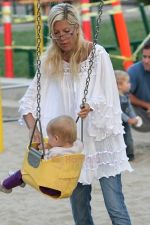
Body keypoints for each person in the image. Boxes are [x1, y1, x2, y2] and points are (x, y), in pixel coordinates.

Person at [17, 3, 133, 225]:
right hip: (72, 146)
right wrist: (35, 133)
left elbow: (110, 97)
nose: (62, 37)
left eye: (67, 31)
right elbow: (27, 104)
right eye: (56, 33)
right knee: (80, 212)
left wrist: (91, 105)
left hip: (101, 140)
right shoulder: (49, 61)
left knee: (115, 206)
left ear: (77, 28)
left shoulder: (97, 55)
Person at [0, 115, 83, 196]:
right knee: (25, 175)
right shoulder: (78, 146)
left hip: (49, 187)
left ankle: (5, 186)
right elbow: (63, 150)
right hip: (66, 187)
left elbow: (43, 163)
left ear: (56, 138)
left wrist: (41, 149)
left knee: (24, 172)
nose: (49, 140)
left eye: (50, 138)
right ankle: (20, 180)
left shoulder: (54, 153)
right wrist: (49, 146)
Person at [115, 70, 142, 161]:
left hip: (125, 123)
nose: (130, 84)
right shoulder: (115, 97)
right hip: (117, 123)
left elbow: (129, 108)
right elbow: (118, 111)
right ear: (119, 85)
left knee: (128, 138)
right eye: (127, 82)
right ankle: (120, 156)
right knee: (119, 139)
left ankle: (130, 155)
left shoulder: (126, 95)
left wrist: (133, 117)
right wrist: (128, 120)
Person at [127, 39, 150, 132]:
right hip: (139, 113)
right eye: (144, 57)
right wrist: (148, 105)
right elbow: (125, 95)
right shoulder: (133, 71)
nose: (146, 61)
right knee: (122, 104)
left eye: (149, 57)